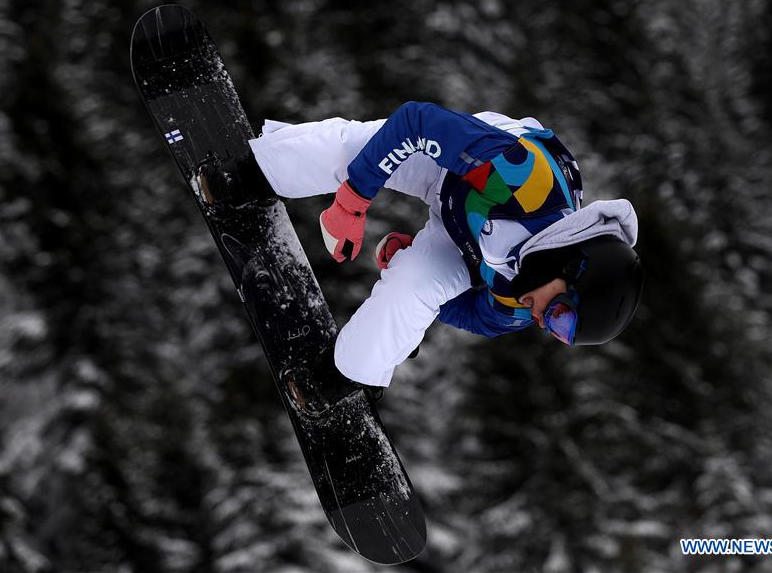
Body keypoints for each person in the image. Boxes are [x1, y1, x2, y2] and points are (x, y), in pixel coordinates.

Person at [248, 101, 644, 415]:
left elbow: (475, 314)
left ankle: (345, 378)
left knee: (410, 292)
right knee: (351, 154)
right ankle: (254, 171)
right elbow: (416, 122)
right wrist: (352, 204)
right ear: (569, 265)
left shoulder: (521, 304)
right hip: (458, 171)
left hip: (462, 238)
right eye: (561, 315)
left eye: (560, 333)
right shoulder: (522, 180)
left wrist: (422, 308)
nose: (544, 324)